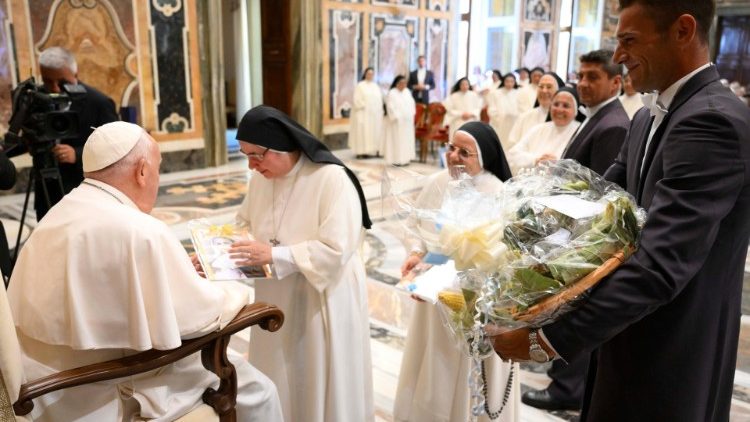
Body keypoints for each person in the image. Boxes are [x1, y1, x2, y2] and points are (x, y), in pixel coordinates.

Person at [491, 1, 750, 420]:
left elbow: (661, 264)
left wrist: (547, 340)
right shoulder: (648, 116)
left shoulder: (711, 121)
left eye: (629, 40)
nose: (618, 56)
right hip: (624, 335)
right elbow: (598, 204)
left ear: (683, 31)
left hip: (675, 351)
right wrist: (504, 249)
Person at [7, 121, 282, 421]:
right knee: (261, 391)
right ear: (141, 171)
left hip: (48, 387)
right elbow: (199, 318)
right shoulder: (141, 231)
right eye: (157, 169)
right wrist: (233, 292)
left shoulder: (55, 216)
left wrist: (171, 274)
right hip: (111, 384)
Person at [230, 105, 374, 422]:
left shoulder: (332, 179)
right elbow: (241, 224)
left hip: (323, 296)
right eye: (245, 156)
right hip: (276, 294)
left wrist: (275, 255)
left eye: (258, 155)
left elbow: (336, 250)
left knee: (318, 373)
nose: (252, 166)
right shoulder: (261, 180)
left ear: (282, 145)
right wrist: (214, 250)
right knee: (278, 371)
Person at [522, 50, 630, 412]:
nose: (583, 83)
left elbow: (598, 193)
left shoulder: (613, 123)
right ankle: (565, 381)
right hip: (569, 230)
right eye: (580, 75)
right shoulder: (598, 117)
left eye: (593, 77)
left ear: (616, 81)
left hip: (581, 235)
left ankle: (568, 388)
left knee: (576, 310)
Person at [394, 121, 518, 422]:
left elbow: (504, 255)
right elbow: (418, 228)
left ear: (484, 158)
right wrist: (415, 253)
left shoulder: (498, 191)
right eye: (451, 148)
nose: (453, 156)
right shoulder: (438, 182)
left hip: (475, 301)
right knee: (436, 359)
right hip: (434, 298)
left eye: (465, 152)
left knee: (471, 366)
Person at [6, 46, 118, 220]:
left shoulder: (99, 102)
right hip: (46, 190)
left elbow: (115, 145)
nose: (55, 88)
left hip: (85, 192)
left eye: (62, 81)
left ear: (75, 74)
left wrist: (78, 154)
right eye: (47, 80)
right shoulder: (35, 99)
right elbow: (25, 137)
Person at [507, 87, 583, 175]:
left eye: (566, 106)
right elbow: (512, 155)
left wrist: (558, 165)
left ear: (576, 111)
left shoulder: (581, 132)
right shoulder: (538, 129)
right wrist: (536, 160)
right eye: (556, 104)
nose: (559, 109)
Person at [506, 72, 564, 149]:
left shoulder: (564, 120)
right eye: (541, 86)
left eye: (549, 87)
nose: (544, 90)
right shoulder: (524, 117)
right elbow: (511, 147)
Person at [349, 67, 384, 158]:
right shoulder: (360, 85)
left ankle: (374, 150)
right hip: (363, 114)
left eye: (372, 74)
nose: (370, 75)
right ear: (365, 74)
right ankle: (361, 152)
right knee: (362, 133)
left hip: (374, 116)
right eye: (369, 73)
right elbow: (357, 100)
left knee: (374, 133)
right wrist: (367, 105)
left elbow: (379, 99)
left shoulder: (375, 86)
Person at [384, 75, 417, 166]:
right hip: (396, 122)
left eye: (405, 83)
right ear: (397, 84)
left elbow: (412, 105)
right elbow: (390, 107)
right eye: (401, 83)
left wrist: (411, 115)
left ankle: (406, 159)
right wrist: (397, 117)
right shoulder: (392, 93)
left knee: (406, 141)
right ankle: (396, 160)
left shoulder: (407, 92)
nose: (403, 85)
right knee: (396, 141)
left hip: (407, 122)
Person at [486, 73, 521, 152]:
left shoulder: (519, 93)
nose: (509, 84)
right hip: (499, 124)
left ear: (515, 82)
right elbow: (491, 109)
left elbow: (521, 109)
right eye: (507, 81)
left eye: (512, 81)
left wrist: (515, 116)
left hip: (514, 123)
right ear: (503, 82)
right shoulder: (496, 93)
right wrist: (501, 118)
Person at [443, 77, 483, 142]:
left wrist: (471, 114)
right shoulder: (453, 96)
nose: (464, 86)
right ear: (459, 85)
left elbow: (478, 108)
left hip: (470, 120)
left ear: (469, 85)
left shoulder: (474, 95)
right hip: (457, 120)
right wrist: (461, 114)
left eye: (466, 84)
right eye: (462, 84)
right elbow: (449, 109)